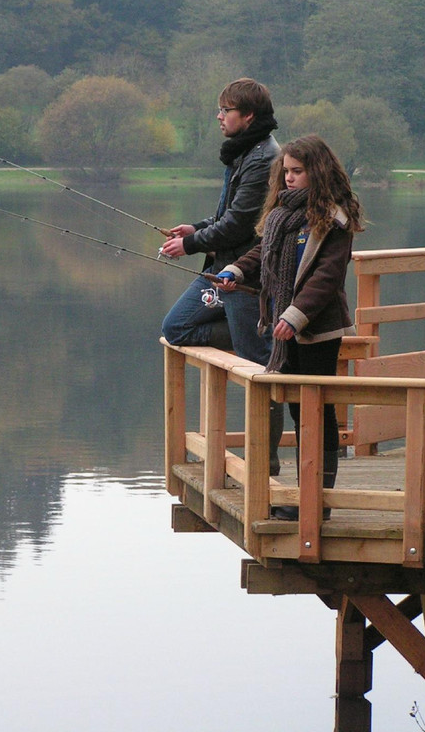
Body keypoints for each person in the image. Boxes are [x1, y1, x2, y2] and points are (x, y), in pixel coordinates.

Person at [216, 135, 365, 520]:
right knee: (300, 412)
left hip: (317, 329)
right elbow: (260, 251)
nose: (289, 179)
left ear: (317, 172)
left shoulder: (335, 219)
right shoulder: (281, 214)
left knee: (318, 411)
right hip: (284, 327)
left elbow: (327, 278)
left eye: (297, 172)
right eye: (286, 172)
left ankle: (319, 503)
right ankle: (306, 497)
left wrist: (294, 315)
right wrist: (236, 268)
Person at [159, 77, 283, 473]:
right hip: (221, 268)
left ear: (247, 116)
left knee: (261, 365)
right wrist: (195, 230)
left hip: (244, 275)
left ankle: (268, 466)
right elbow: (225, 216)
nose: (219, 117)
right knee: (176, 327)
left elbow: (240, 224)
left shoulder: (264, 158)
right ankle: (265, 333)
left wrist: (192, 245)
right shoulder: (243, 151)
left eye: (225, 110)